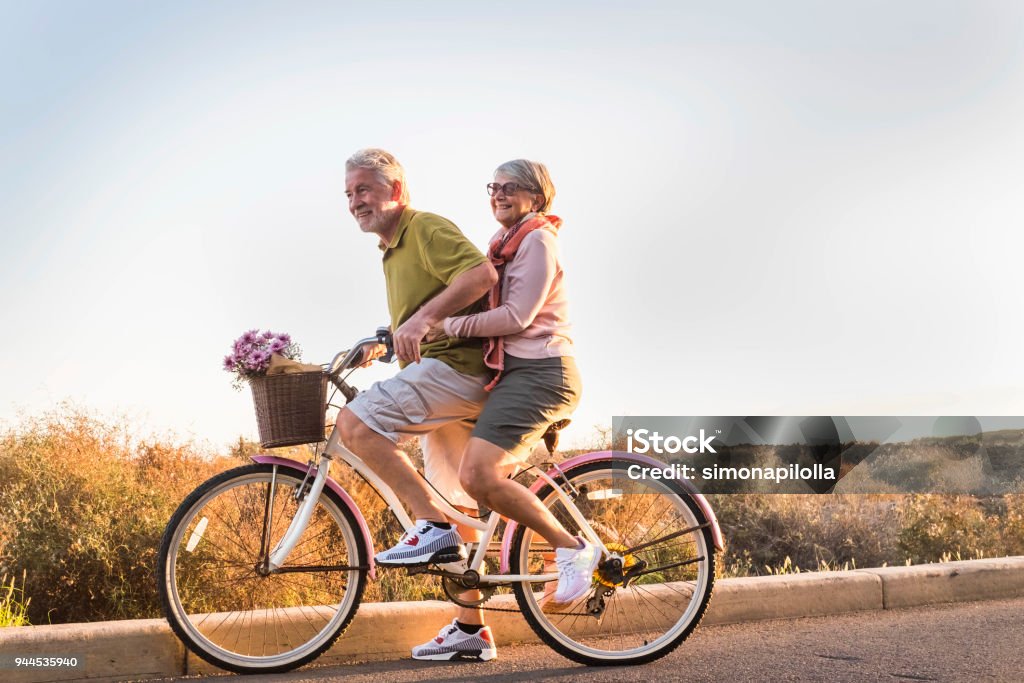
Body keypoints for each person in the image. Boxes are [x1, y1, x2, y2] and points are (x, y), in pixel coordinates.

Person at [418, 159, 591, 657]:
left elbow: (517, 317)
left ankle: (572, 549)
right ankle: (469, 629)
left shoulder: (537, 239)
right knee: (465, 491)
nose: (498, 193)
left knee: (479, 476)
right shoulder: (503, 245)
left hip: (543, 373)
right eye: (493, 186)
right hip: (515, 376)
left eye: (510, 186)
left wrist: (445, 327)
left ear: (537, 196)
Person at [335, 148, 497, 659]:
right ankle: (471, 631)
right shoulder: (390, 249)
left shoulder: (423, 227)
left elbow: (480, 276)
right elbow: (417, 315)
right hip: (440, 377)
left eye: (364, 190)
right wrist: (385, 339)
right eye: (349, 194)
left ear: (395, 191)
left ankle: (428, 522)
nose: (355, 201)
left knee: (354, 423)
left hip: (457, 371)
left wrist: (423, 320)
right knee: (463, 513)